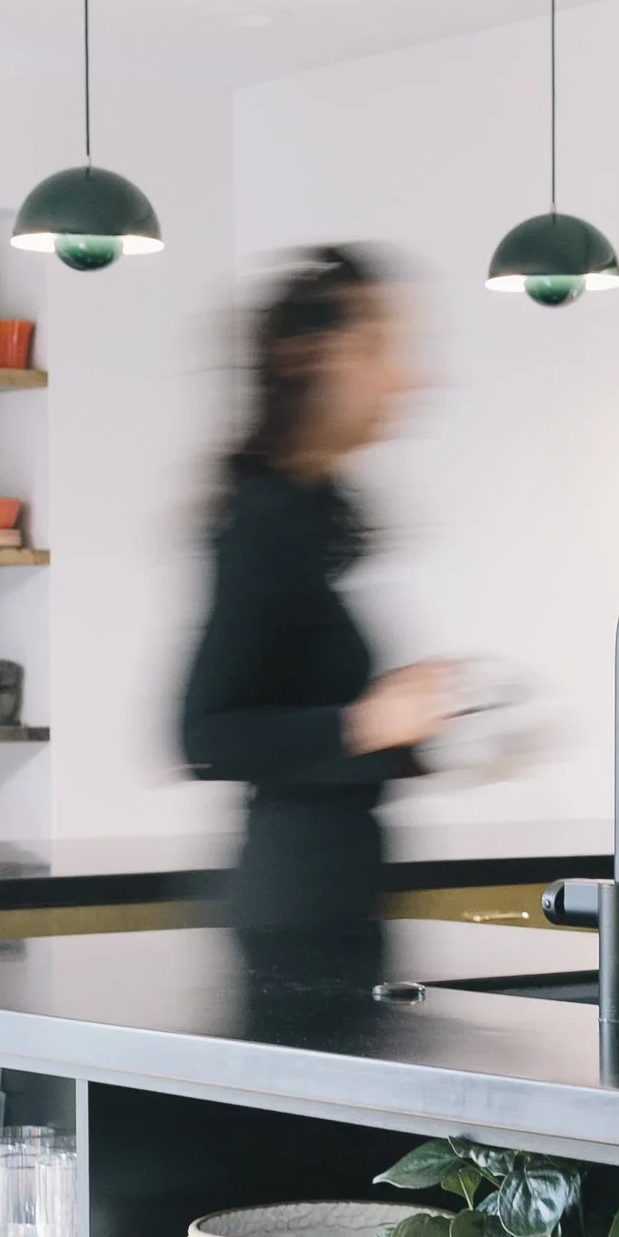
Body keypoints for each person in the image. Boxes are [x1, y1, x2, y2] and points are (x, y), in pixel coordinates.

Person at [180, 247, 445, 989]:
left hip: (333, 908)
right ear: (310, 358)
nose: (407, 377)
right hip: (293, 928)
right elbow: (204, 733)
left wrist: (408, 730)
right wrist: (367, 724)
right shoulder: (263, 517)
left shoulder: (305, 514)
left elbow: (298, 711)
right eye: (382, 348)